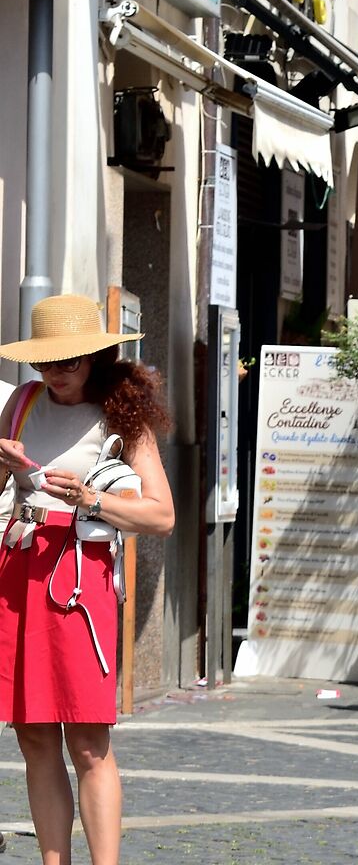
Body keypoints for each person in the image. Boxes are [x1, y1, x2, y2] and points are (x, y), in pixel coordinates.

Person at [0, 296, 177, 865]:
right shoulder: (22, 403)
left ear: (97, 357)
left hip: (79, 580)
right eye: (47, 363)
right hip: (18, 569)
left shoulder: (122, 415)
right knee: (33, 736)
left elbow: (161, 516)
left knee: (87, 740)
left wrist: (91, 499)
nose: (56, 374)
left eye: (70, 362)